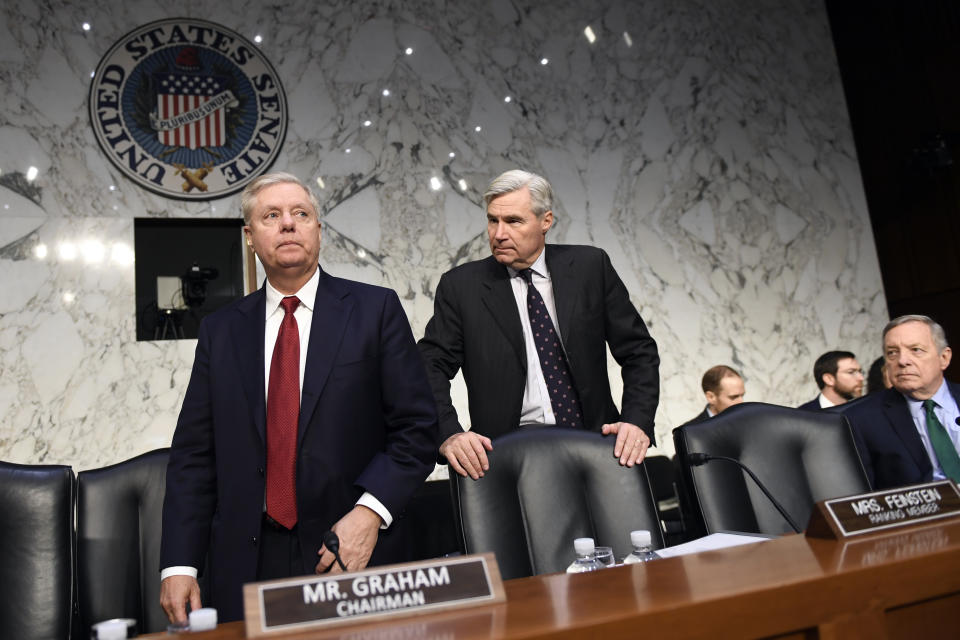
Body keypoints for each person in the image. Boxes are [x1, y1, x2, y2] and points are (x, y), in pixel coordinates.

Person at [159, 172, 438, 623]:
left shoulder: (374, 311)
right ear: (250, 237)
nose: (288, 224)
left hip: (347, 549)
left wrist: (369, 513)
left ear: (318, 231)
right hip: (248, 560)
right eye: (272, 215)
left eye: (301, 214)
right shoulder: (221, 330)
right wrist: (179, 563)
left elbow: (417, 430)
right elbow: (195, 453)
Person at [418, 169, 660, 480]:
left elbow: (639, 351)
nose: (499, 233)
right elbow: (428, 367)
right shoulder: (461, 287)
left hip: (600, 447)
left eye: (513, 221)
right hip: (506, 460)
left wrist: (636, 421)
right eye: (493, 220)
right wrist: (449, 433)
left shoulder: (590, 267)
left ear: (546, 221)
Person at [844, 315, 960, 490]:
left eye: (916, 350)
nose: (902, 361)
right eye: (892, 352)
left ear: (944, 358)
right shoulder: (861, 419)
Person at [798, 351, 864, 410]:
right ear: (829, 379)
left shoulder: (863, 412)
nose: (861, 378)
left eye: (860, 372)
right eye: (851, 372)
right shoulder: (802, 414)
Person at [681, 365, 745, 425]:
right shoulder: (688, 432)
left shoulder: (749, 424)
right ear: (711, 397)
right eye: (733, 397)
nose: (741, 402)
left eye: (742, 395)